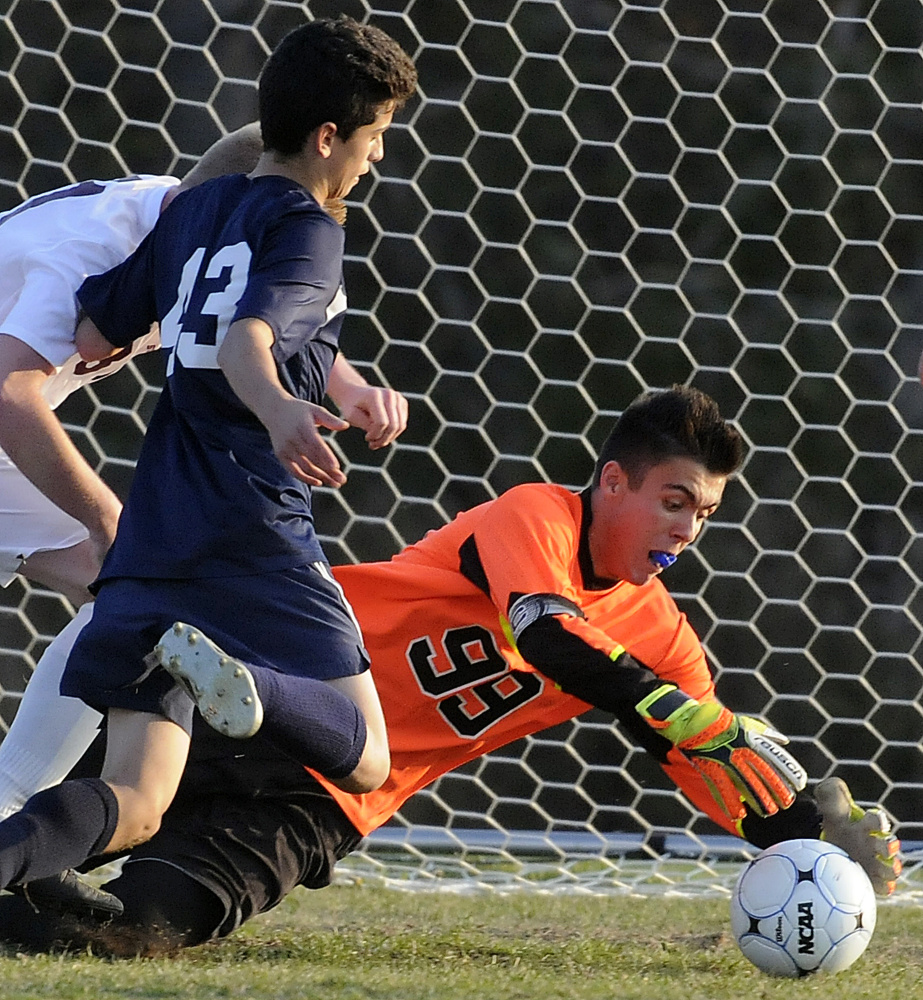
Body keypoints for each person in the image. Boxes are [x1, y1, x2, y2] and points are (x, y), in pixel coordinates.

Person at [0, 386, 900, 956]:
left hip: (333, 801)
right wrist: (681, 713)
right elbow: (549, 638)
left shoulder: (664, 638)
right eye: (673, 502)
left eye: (702, 515)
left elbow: (704, 761)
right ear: (611, 483)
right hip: (279, 685)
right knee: (66, 830)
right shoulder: (532, 516)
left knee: (134, 931)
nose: (686, 531)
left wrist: (806, 835)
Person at [0, 15, 417, 898]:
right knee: (368, 755)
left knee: (137, 791)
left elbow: (197, 314)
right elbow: (243, 334)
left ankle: (21, 833)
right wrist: (278, 413)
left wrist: (339, 386)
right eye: (375, 139)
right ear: (329, 137)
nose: (376, 161)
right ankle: (243, 692)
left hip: (167, 528)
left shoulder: (185, 214)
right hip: (247, 523)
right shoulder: (280, 229)